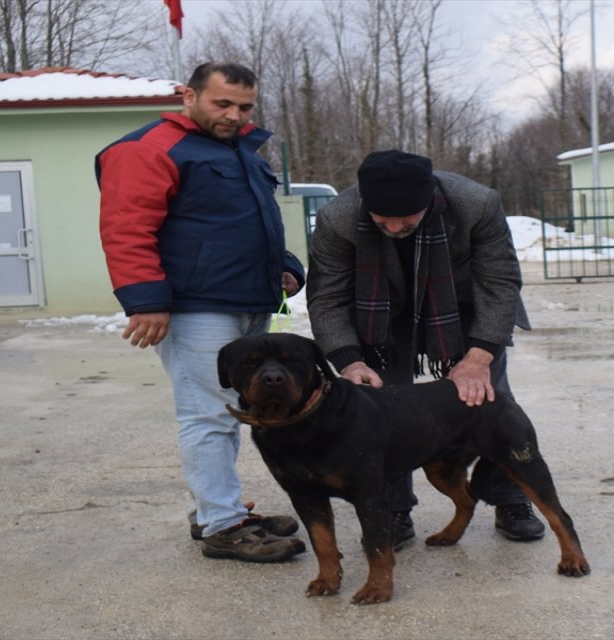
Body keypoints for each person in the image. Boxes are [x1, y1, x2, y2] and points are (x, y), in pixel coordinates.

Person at [96, 61, 308, 561]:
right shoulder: (147, 149)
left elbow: (254, 224)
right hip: (196, 306)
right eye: (223, 103)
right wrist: (145, 300)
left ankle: (216, 509)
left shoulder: (241, 152)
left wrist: (286, 267)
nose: (235, 115)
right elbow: (127, 227)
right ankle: (222, 524)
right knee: (208, 414)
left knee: (231, 412)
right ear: (187, 97)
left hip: (249, 302)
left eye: (245, 106)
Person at [305, 149, 545, 547]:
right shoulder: (338, 217)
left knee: (489, 399)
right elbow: (327, 298)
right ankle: (394, 509)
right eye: (383, 221)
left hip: (460, 304)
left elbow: (499, 282)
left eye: (407, 219)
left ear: (429, 201)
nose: (396, 227)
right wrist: (349, 361)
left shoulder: (475, 203)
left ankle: (510, 498)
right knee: (379, 407)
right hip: (379, 311)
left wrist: (479, 355)